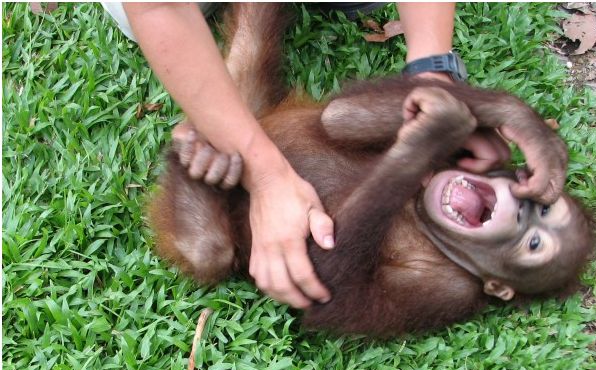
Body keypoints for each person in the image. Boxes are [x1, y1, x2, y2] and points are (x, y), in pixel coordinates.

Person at [102, 2, 512, 309]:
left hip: (271, 148)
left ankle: (206, 150)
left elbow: (343, 120)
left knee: (255, 35)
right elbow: (158, 7)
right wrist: (265, 178)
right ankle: (203, 150)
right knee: (205, 250)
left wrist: (432, 75)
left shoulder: (444, 253)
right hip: (234, 194)